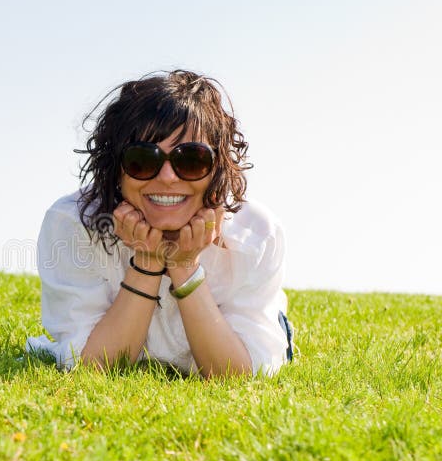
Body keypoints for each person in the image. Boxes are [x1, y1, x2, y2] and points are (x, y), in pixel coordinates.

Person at [26, 69, 294, 378]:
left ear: (217, 168)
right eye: (143, 159)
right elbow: (94, 366)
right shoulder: (72, 223)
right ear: (116, 168)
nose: (167, 177)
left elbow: (234, 375)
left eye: (190, 160)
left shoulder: (257, 232)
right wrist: (148, 262)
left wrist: (184, 265)